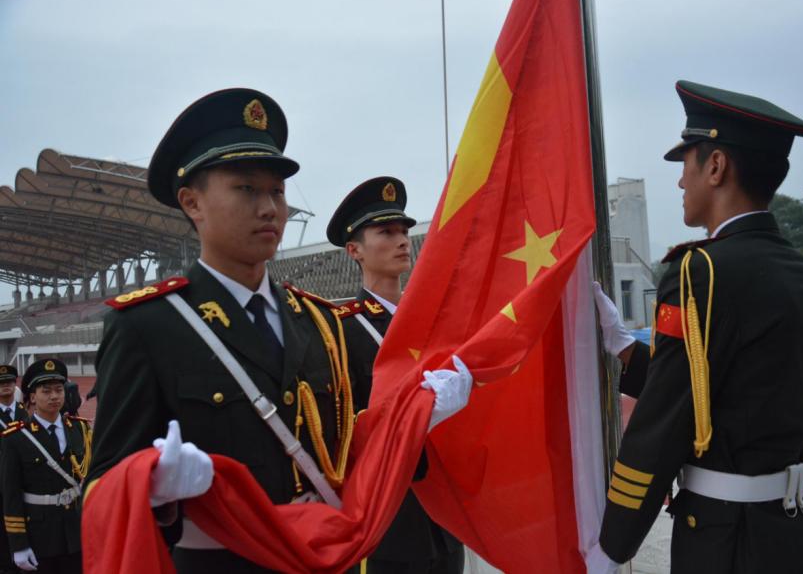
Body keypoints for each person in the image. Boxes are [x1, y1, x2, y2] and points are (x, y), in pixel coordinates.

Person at [85, 88, 472, 574]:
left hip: (324, 558)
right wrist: (153, 489)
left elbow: (354, 453)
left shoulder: (321, 323)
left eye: (277, 191)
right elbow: (100, 490)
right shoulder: (148, 324)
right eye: (246, 189)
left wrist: (417, 420)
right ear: (192, 202)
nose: (269, 207)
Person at [588, 80, 803, 573]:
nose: (680, 183)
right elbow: (736, 390)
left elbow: (663, 419)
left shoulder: (699, 274)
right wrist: (624, 348)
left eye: (686, 164)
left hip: (729, 543)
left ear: (716, 166)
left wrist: (611, 544)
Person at [327, 177, 465, 574]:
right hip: (387, 522)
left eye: (404, 231)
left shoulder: (434, 325)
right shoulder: (341, 330)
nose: (403, 241)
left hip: (444, 517)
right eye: (386, 232)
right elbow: (343, 430)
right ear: (354, 250)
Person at [1, 358, 91, 574]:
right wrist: (18, 544)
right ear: (32, 397)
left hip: (76, 531)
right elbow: (11, 494)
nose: (54, 396)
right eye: (46, 391)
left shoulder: (80, 429)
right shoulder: (15, 437)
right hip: (39, 534)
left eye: (59, 390)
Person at [0, 364, 28, 574]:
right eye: (1, 383)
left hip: (24, 482)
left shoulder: (25, 412)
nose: (5, 386)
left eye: (9, 381)